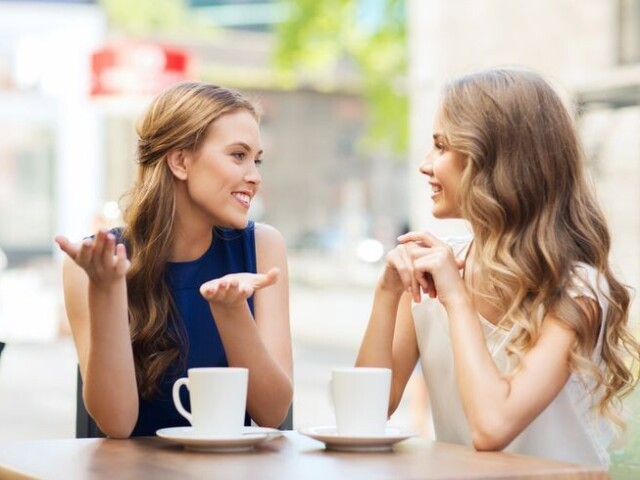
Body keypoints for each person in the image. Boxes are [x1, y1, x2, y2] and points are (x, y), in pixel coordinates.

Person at [356, 67, 640, 467]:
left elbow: (492, 427)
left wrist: (456, 298)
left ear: (494, 161)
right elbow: (364, 415)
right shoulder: (433, 270)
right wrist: (386, 294)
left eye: (441, 146)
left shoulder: (578, 291)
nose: (425, 164)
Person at [56, 82, 293, 438]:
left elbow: (273, 413)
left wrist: (232, 312)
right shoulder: (92, 266)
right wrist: (106, 289)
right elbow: (116, 424)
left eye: (256, 160)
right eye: (238, 155)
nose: (254, 177)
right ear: (181, 161)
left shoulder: (263, 246)